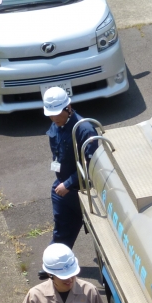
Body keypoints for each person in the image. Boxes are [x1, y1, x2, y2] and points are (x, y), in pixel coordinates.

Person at [44, 87, 97, 247]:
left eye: (57, 113)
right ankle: (55, 265)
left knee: (98, 229)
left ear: (68, 107)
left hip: (84, 190)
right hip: (61, 187)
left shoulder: (84, 130)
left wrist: (68, 184)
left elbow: (92, 166)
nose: (54, 118)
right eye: (50, 114)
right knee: (61, 227)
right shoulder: (56, 125)